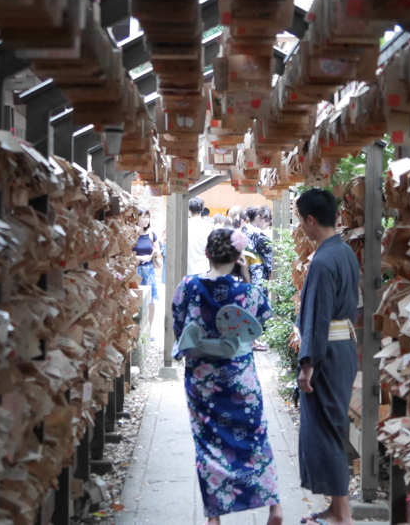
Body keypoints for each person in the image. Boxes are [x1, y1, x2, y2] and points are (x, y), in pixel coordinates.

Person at [172, 229, 283, 525]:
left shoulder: (188, 286)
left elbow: (179, 325)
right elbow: (259, 322)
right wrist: (244, 277)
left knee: (208, 443)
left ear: (207, 254)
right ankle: (274, 506)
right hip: (240, 376)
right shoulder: (249, 292)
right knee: (254, 436)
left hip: (203, 379)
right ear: (237, 258)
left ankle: (215, 516)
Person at [294, 189, 359, 525]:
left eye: (299, 219)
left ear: (310, 219)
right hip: (343, 347)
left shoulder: (322, 260)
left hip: (327, 354)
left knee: (328, 431)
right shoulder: (345, 252)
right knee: (334, 426)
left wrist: (308, 365)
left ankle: (343, 515)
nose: (300, 226)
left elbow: (317, 317)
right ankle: (336, 508)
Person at [132, 208, 162, 340]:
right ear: (136, 218)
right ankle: (133, 330)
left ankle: (148, 330)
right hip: (134, 270)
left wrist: (156, 253)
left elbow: (158, 249)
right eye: (143, 217)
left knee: (151, 301)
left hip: (148, 271)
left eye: (147, 217)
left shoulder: (151, 233)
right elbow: (125, 254)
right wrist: (140, 258)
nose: (146, 220)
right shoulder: (131, 233)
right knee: (134, 300)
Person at [187, 197, 213, 275]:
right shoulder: (208, 225)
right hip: (204, 267)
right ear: (202, 210)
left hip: (187, 267)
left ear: (189, 209)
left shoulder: (184, 224)